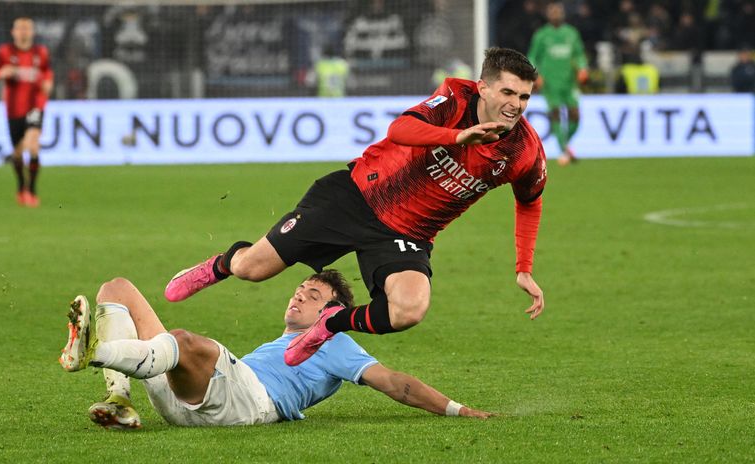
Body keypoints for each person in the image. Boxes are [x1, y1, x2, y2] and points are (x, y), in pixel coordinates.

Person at [165, 47, 547, 367]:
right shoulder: (454, 98)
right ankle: (219, 265)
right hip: (354, 197)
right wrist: (457, 136)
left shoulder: (524, 152)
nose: (516, 105)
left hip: (407, 234)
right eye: (508, 93)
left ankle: (331, 322)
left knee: (409, 310)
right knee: (253, 269)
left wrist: (524, 268)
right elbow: (400, 130)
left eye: (524, 97)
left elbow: (529, 202)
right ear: (483, 87)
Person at [59, 270, 493, 428]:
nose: (299, 296)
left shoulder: (334, 340)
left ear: (333, 312)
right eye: (300, 289)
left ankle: (94, 352)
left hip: (249, 403)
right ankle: (119, 399)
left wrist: (458, 409)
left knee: (186, 341)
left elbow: (395, 385)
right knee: (117, 288)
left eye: (313, 296)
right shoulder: (284, 340)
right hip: (195, 399)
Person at [0, 17, 53, 207]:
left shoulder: (41, 53)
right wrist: (0, 73)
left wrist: (48, 82)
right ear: (13, 32)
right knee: (17, 153)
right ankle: (21, 186)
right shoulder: (4, 52)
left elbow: (47, 72)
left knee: (33, 144)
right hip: (14, 110)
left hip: (35, 106)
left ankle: (32, 190)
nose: (23, 32)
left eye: (27, 28)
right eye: (20, 28)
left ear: (32, 32)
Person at [527, 2, 588, 166]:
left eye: (558, 11)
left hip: (569, 82)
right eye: (552, 12)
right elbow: (532, 57)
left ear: (562, 14)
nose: (555, 14)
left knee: (575, 115)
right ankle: (565, 150)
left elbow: (580, 54)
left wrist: (582, 68)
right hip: (550, 82)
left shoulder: (571, 33)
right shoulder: (541, 35)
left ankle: (565, 144)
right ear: (548, 15)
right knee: (555, 114)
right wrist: (536, 75)